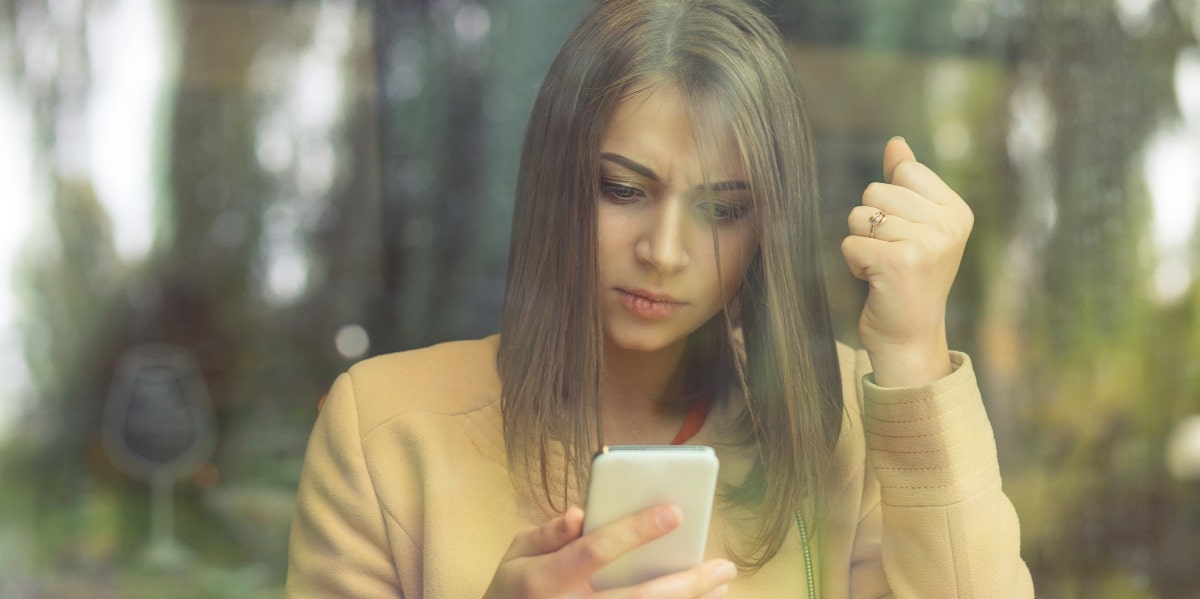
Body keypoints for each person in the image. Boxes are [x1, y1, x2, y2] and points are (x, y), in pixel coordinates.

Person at [286, 0, 1034, 597]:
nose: (665, 251)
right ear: (557, 181)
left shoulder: (844, 423)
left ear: (767, 224)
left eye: (722, 208)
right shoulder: (385, 431)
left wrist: (913, 354)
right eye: (623, 189)